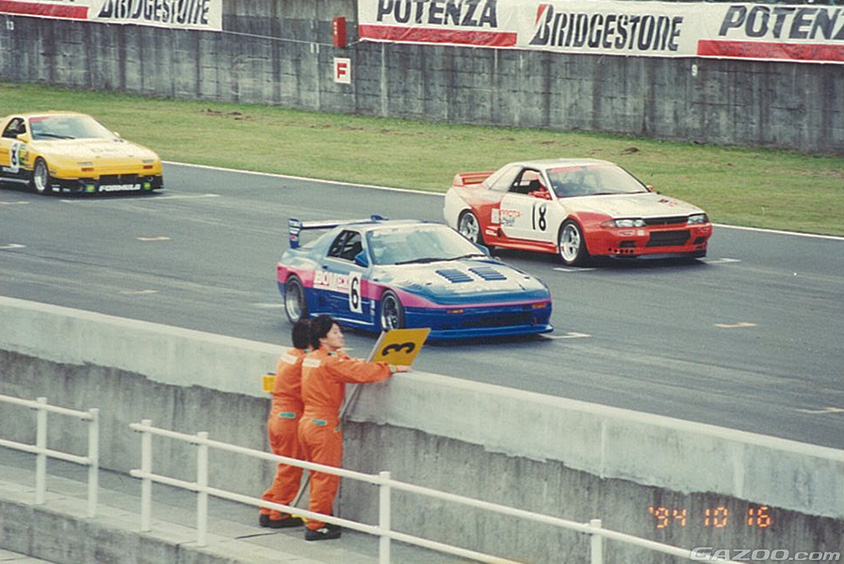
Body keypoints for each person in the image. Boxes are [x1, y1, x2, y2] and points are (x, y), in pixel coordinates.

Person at [298, 314, 410, 541]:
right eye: (335, 332)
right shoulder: (330, 362)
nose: (341, 335)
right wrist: (390, 367)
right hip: (323, 425)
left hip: (307, 422)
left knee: (317, 475)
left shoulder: (313, 358)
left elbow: (341, 364)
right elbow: (361, 374)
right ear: (323, 338)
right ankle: (316, 525)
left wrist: (346, 358)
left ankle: (320, 517)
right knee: (326, 477)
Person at [258, 319, 311, 528]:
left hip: (277, 416)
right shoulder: (304, 360)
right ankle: (278, 512)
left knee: (284, 467)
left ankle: (268, 507)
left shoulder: (289, 355)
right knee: (291, 468)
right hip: (290, 419)